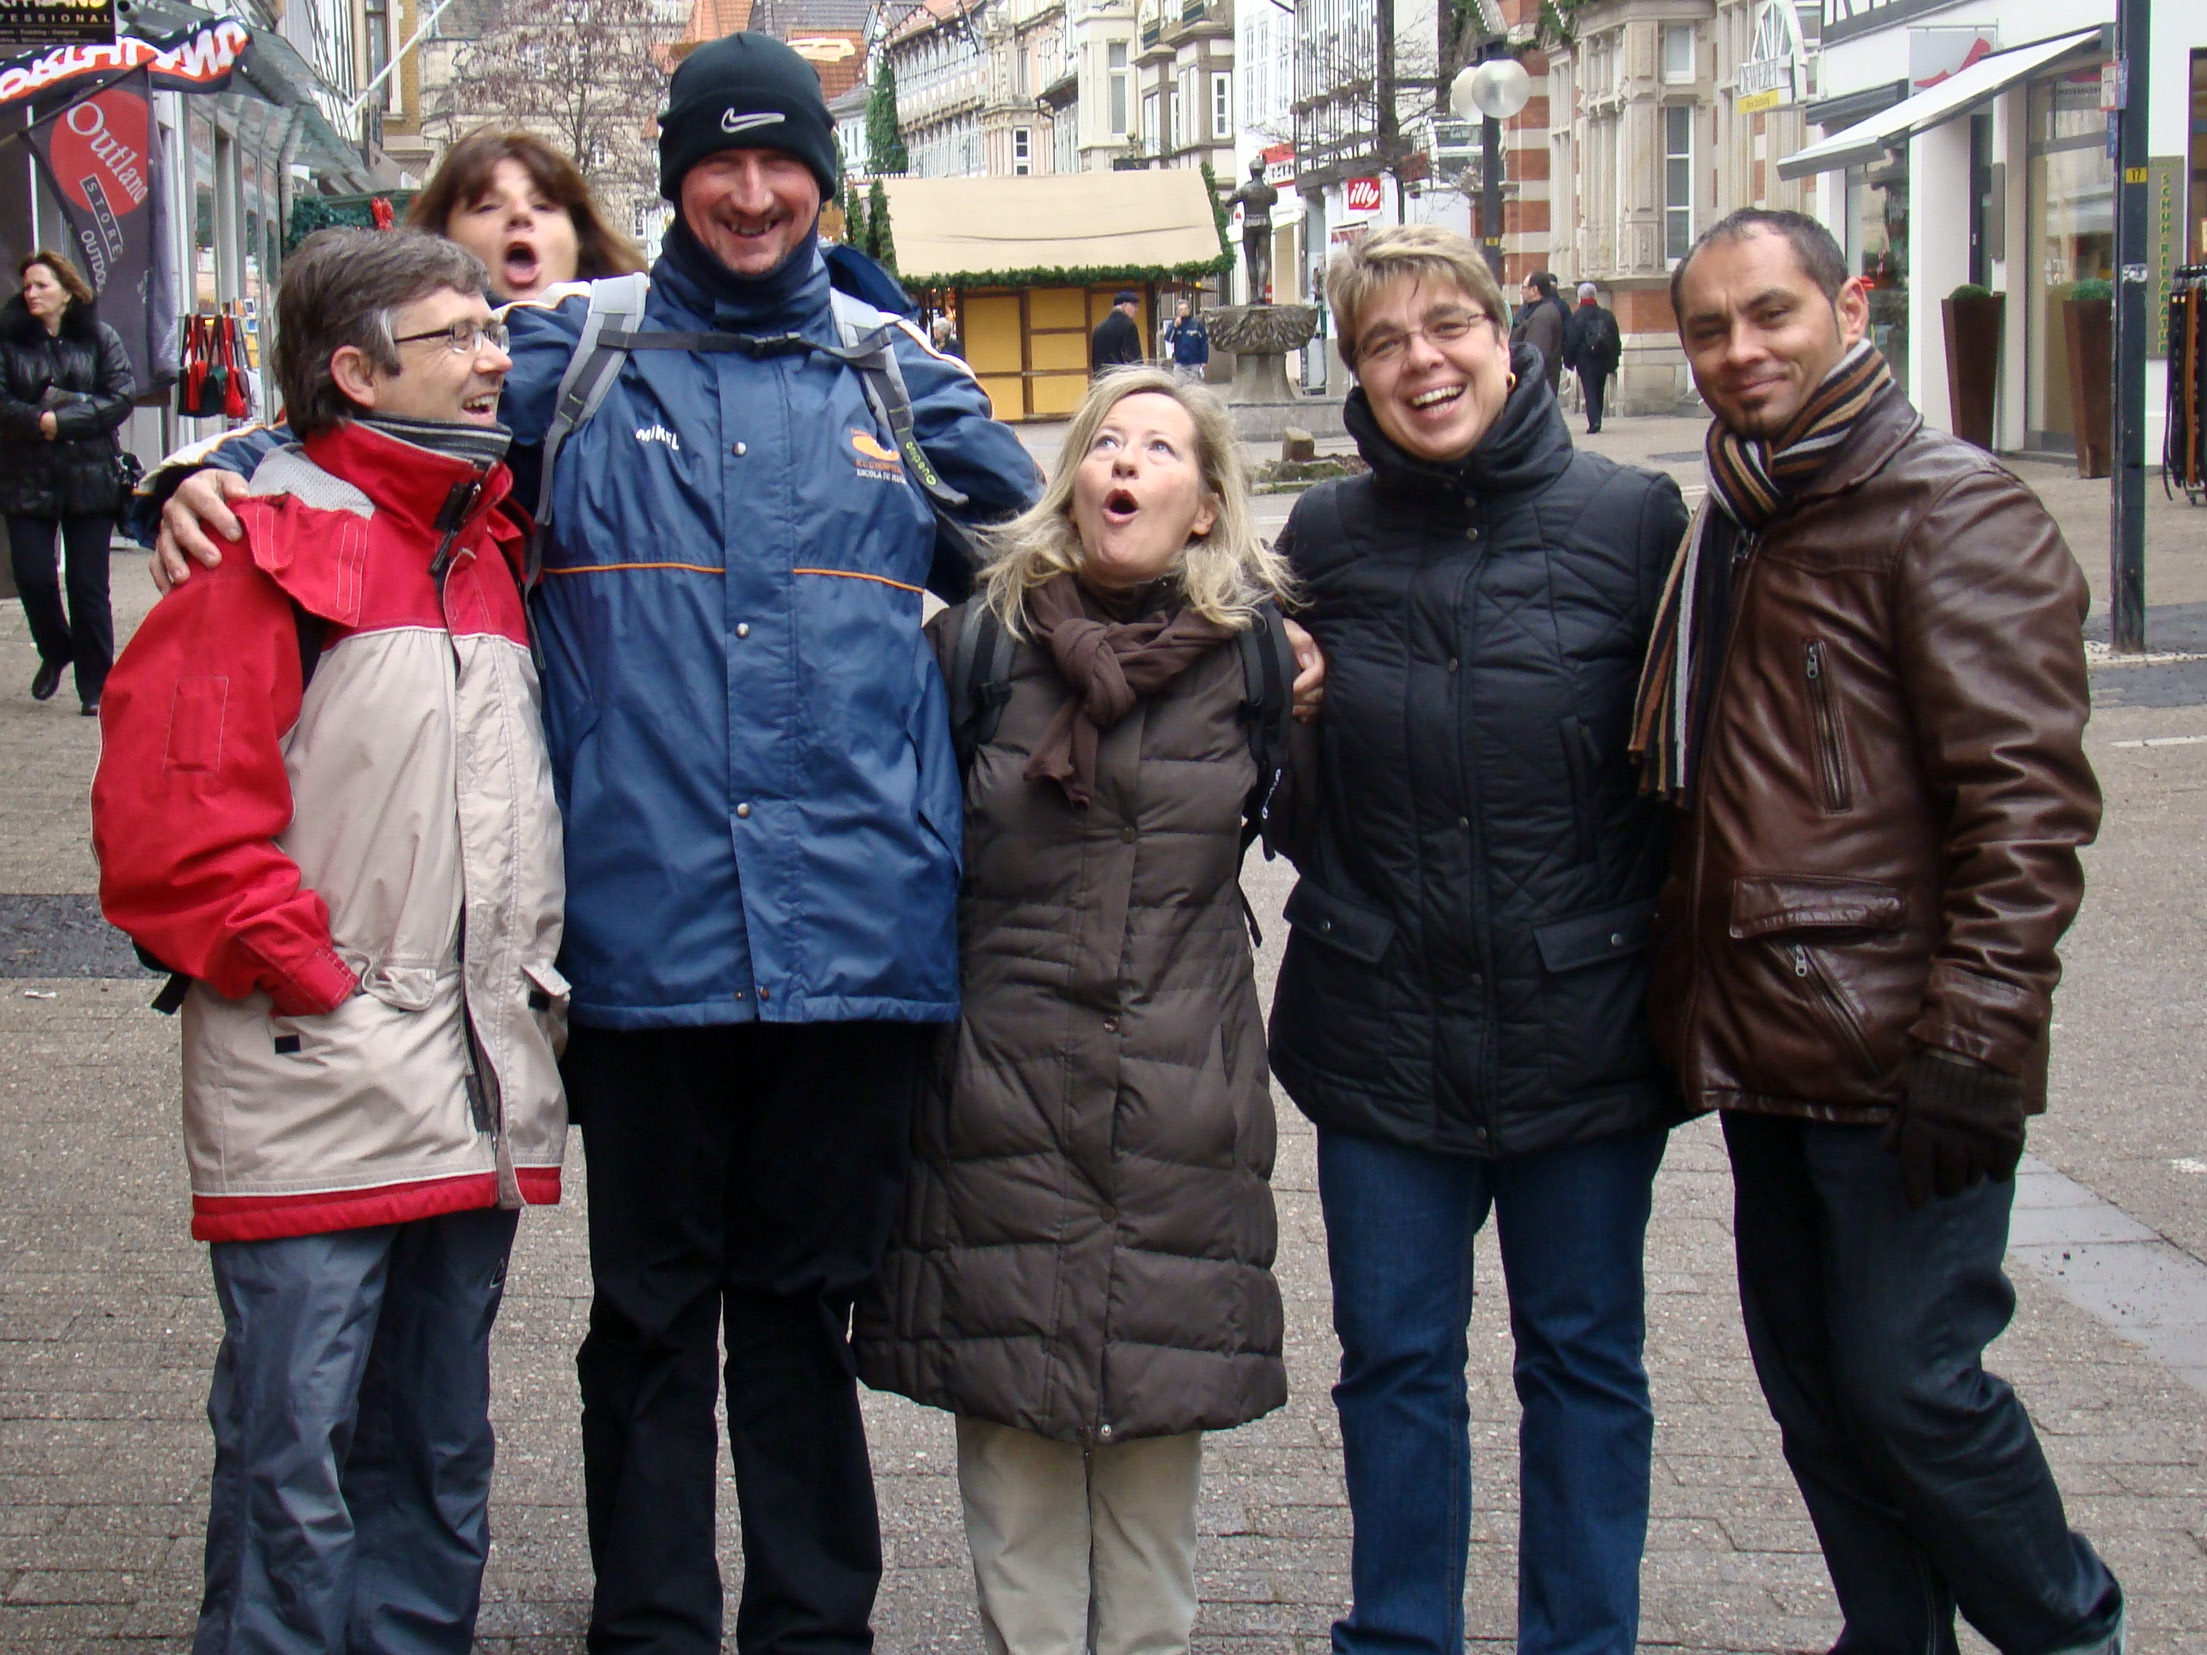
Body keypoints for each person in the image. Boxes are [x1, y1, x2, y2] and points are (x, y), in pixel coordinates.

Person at [152, 31, 1040, 1655]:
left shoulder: (894, 379)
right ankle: (648, 1624)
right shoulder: (578, 359)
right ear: (676, 178)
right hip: (643, 940)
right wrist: (212, 476)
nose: (752, 192)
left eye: (782, 164)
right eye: (721, 163)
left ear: (823, 183)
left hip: (857, 943)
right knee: (646, 1314)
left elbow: (1063, 562)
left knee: (802, 1316)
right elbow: (374, 454)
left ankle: (812, 1628)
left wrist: (1251, 627)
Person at [1636, 207, 2123, 1655]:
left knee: (1915, 1386)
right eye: (1709, 328)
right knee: (1818, 1393)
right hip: (1768, 1030)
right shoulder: (1744, 510)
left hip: (1902, 1046)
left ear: (1847, 308)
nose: (1738, 350)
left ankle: (2069, 1631)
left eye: (1769, 314)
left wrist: (1975, 1038)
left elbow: (2022, 804)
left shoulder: (1946, 508)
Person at [92, 228, 566, 1655]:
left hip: (465, 1073)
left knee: (436, 1436)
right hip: (319, 1068)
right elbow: (175, 826)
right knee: (295, 1450)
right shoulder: (263, 541)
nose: (495, 358)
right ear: (355, 370)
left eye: (494, 328)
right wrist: (316, 980)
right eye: (458, 335)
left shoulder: (483, 542)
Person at [1269, 222, 1687, 1655]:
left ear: (1506, 339)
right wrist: (1284, 714)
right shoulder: (1320, 540)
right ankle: (1400, 1633)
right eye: (1382, 342)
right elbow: (1276, 790)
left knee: (1583, 1358)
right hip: (1379, 1019)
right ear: (1355, 373)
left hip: (1584, 1020)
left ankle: (1581, 1637)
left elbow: (1692, 770)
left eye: (1444, 326)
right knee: (1394, 1360)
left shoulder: (1633, 519)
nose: (1420, 361)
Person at [854, 368, 1296, 1655]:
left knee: (1154, 1443)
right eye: (1106, 439)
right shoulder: (977, 645)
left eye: (1160, 446)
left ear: (1204, 504)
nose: (1126, 460)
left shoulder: (1255, 657)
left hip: (1178, 1090)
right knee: (1013, 1448)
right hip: (998, 1086)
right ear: (1070, 480)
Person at [1, 249, 133, 714]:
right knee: (34, 577)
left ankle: (97, 686)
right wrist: (38, 422)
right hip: (27, 476)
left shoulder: (100, 337)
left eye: (42, 285)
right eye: (27, 286)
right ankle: (57, 649)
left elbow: (120, 396)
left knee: (88, 586)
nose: (31, 294)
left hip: (89, 475)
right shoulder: (8, 341)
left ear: (67, 291)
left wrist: (64, 422)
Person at [404, 124, 645, 301]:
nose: (520, 213)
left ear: (580, 239)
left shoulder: (643, 344)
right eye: (487, 207)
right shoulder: (402, 352)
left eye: (542, 206)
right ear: (439, 239)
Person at [1563, 280, 1621, 434]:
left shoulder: (1576, 317)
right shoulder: (1606, 315)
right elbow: (1615, 338)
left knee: (1589, 389)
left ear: (1580, 297)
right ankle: (1597, 418)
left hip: (1585, 360)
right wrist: (1615, 358)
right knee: (1599, 388)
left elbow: (1572, 341)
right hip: (1603, 357)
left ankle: (1594, 420)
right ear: (1595, 296)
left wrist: (1569, 361)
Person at [1510, 269, 1570, 390]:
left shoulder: (1543, 316)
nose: (1521, 292)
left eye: (1524, 287)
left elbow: (1536, 353)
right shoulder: (1534, 310)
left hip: (1538, 385)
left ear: (1534, 290)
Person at [1091, 289, 1144, 375]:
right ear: (1124, 305)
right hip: (1122, 378)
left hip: (1103, 379)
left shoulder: (1099, 329)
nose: (1136, 310)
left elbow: (1095, 361)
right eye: (1134, 306)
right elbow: (1134, 360)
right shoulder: (1128, 326)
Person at [1162, 297, 1209, 381]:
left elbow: (1204, 343)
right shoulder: (1174, 324)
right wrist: (1175, 326)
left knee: (1195, 386)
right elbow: (1168, 339)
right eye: (1181, 309)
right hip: (1180, 363)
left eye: (1185, 309)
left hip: (1195, 363)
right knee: (1179, 386)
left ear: (1189, 310)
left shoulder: (1197, 324)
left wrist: (1204, 360)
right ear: (1177, 311)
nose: (1183, 311)